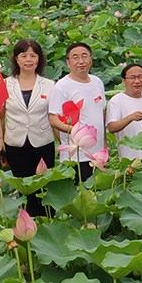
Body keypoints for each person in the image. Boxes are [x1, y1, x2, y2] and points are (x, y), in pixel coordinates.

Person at [0, 38, 55, 213]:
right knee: (23, 186)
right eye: (24, 55)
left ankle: (46, 220)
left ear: (39, 59)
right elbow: (0, 114)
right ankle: (26, 221)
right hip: (15, 142)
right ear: (16, 59)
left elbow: (53, 116)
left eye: (33, 55)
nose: (28, 60)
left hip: (43, 141)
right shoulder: (5, 84)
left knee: (43, 186)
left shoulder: (49, 85)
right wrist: (0, 138)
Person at [48, 42, 107, 180]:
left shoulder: (97, 82)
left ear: (90, 60)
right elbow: (53, 119)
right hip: (76, 154)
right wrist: (76, 131)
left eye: (84, 56)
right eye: (75, 57)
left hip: (98, 153)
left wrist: (104, 146)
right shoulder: (61, 87)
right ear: (68, 63)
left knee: (97, 194)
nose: (81, 61)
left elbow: (101, 114)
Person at [107, 62, 142, 161]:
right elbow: (111, 127)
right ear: (123, 81)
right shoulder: (116, 101)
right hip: (131, 160)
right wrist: (130, 118)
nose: (137, 81)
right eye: (132, 78)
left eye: (140, 77)